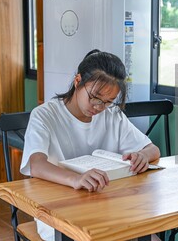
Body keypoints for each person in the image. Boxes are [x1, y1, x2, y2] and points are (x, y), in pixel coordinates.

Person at [20, 49, 160, 241]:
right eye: (94, 97)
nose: (99, 107)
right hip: (59, 214)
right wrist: (76, 179)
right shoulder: (44, 115)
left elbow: (152, 149)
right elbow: (35, 164)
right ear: (78, 81)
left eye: (108, 101)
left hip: (108, 208)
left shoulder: (112, 115)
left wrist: (142, 156)